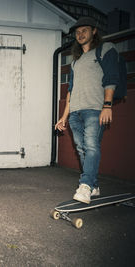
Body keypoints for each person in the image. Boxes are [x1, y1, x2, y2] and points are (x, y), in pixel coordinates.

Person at [55, 17, 120, 204]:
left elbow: (111, 78)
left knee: (91, 146)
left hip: (94, 109)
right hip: (75, 112)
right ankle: (94, 186)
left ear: (94, 31)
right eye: (77, 32)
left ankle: (85, 185)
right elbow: (71, 91)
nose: (80, 34)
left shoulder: (105, 49)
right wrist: (63, 117)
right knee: (82, 149)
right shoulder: (75, 62)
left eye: (84, 30)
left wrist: (107, 106)